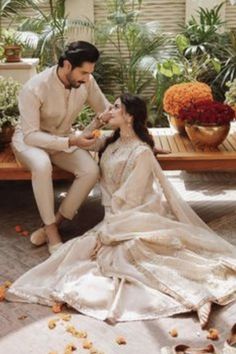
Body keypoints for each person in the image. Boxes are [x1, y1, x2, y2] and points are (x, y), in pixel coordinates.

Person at [7, 93, 236, 329]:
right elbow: (79, 140)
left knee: (133, 253)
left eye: (116, 107)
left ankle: (197, 295)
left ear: (129, 117)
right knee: (85, 253)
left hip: (136, 215)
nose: (110, 110)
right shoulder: (109, 142)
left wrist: (114, 216)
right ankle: (196, 296)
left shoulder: (142, 152)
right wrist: (97, 121)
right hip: (114, 218)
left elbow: (133, 196)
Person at [12, 41, 112, 254]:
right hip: (29, 142)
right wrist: (71, 142)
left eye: (89, 73)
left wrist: (139, 132)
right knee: (41, 165)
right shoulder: (34, 88)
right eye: (83, 72)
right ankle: (52, 232)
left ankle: (55, 223)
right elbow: (31, 135)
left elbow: (106, 110)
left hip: (63, 139)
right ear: (67, 65)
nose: (86, 78)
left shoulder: (87, 82)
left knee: (90, 170)